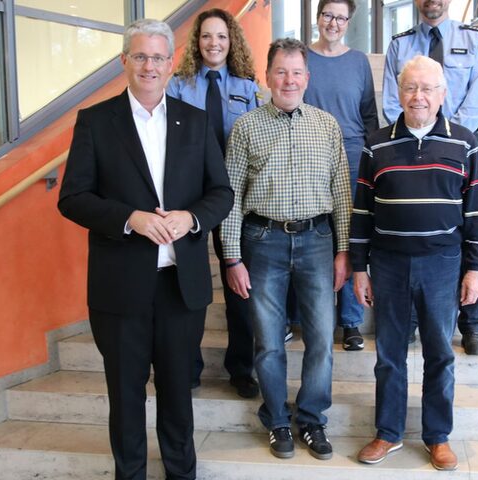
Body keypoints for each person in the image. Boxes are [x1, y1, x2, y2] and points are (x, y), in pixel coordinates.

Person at [57, 19, 233, 480]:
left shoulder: (195, 122)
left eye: (158, 57)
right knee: (127, 397)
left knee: (177, 394)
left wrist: (190, 218)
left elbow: (221, 192)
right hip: (120, 289)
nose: (149, 65)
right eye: (140, 56)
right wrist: (129, 219)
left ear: (171, 63)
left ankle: (181, 473)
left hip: (181, 288)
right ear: (124, 62)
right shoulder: (95, 122)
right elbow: (72, 197)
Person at [352, 55, 478, 471]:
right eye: (411, 87)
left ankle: (438, 436)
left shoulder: (464, 142)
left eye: (428, 88)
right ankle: (388, 432)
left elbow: (476, 211)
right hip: (389, 263)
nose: (419, 96)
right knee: (389, 353)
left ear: (443, 94)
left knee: (439, 354)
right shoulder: (376, 145)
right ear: (398, 91)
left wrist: (475, 268)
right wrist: (359, 267)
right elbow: (362, 211)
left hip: (442, 264)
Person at [220, 38, 351, 461]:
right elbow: (231, 196)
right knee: (269, 343)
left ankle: (311, 419)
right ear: (267, 76)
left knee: (320, 340)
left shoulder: (327, 125)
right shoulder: (246, 127)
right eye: (281, 71)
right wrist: (231, 257)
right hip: (263, 243)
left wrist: (344, 250)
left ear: (307, 79)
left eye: (296, 72)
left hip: (316, 241)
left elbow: (342, 192)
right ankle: (278, 420)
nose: (289, 79)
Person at [382, 0, 478, 356]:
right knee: (419, 232)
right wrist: (420, 132)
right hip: (407, 150)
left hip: (458, 150)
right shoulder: (399, 45)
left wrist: (446, 135)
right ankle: (414, 319)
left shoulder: (476, 40)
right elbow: (390, 101)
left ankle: (473, 324)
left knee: (463, 232)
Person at [166, 7, 261, 399]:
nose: (214, 43)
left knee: (238, 283)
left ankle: (241, 367)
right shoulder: (178, 86)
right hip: (189, 195)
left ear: (232, 40)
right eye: (206, 36)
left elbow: (257, 141)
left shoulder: (246, 86)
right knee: (188, 285)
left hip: (234, 196)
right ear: (197, 41)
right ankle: (186, 366)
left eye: (221, 36)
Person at [304, 0, 379, 351]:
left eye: (340, 18)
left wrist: (372, 160)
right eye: (328, 15)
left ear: (349, 22)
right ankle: (310, 315)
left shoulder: (359, 62)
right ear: (318, 18)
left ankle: (350, 321)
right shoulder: (303, 58)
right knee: (314, 236)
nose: (333, 23)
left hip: (351, 155)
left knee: (350, 239)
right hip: (309, 153)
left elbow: (368, 116)